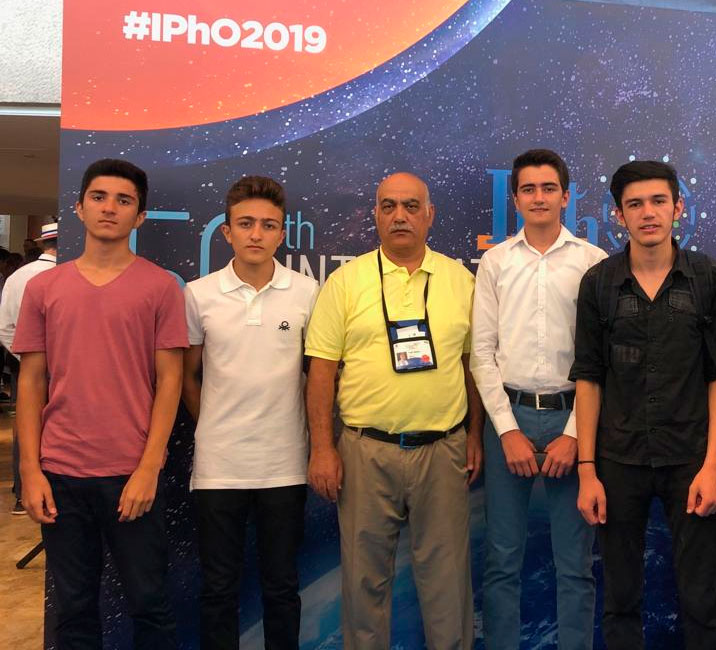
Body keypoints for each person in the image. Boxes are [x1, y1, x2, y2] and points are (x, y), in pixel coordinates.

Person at [304, 172, 483, 650]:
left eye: (410, 206)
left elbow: (474, 366)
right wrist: (322, 448)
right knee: (364, 584)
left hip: (442, 451)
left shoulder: (460, 281)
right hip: (365, 452)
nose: (399, 216)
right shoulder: (345, 282)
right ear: (376, 215)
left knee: (448, 585)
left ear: (430, 215)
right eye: (388, 206)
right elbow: (321, 371)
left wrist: (474, 435)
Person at [14, 158, 186, 649]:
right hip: (60, 475)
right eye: (99, 197)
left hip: (131, 475)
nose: (110, 208)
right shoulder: (43, 288)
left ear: (140, 216)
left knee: (150, 605)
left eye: (123, 200)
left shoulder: (160, 287)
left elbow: (170, 380)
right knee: (72, 610)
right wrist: (30, 470)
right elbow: (31, 382)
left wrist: (149, 467)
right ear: (79, 208)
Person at [571, 160, 716, 649]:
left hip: (691, 459)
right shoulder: (598, 282)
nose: (648, 213)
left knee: (703, 600)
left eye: (659, 201)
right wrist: (587, 471)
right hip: (617, 459)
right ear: (619, 215)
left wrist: (714, 466)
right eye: (635, 204)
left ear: (677, 207)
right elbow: (589, 379)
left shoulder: (707, 276)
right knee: (620, 597)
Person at [470, 149, 606, 650]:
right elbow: (482, 353)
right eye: (528, 189)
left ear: (566, 197)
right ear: (515, 199)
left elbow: (600, 359)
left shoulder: (593, 262)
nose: (539, 197)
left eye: (549, 188)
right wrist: (507, 430)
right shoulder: (496, 262)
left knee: (576, 564)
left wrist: (575, 436)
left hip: (575, 419)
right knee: (501, 560)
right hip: (509, 418)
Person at [182, 176, 319, 650]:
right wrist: (211, 425)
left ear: (282, 233)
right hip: (219, 467)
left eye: (268, 225)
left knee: (281, 588)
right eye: (245, 224)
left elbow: (318, 376)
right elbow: (187, 376)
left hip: (285, 465)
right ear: (227, 232)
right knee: (218, 589)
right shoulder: (198, 294)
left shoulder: (307, 292)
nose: (256, 234)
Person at [0, 222, 57, 515]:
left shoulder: (17, 277)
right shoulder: (67, 275)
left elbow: (5, 327)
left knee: (26, 424)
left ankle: (23, 493)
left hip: (27, 366)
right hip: (62, 371)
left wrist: (29, 359)